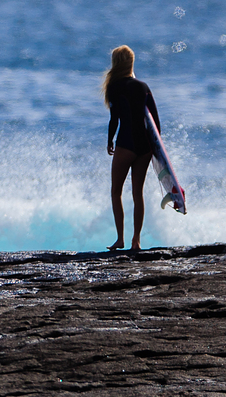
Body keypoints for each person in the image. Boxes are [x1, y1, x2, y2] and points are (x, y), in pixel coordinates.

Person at [104, 45, 160, 251]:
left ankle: (120, 239)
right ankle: (136, 241)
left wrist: (110, 141)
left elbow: (114, 119)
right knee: (138, 193)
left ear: (115, 63)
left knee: (116, 192)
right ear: (130, 63)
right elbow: (154, 122)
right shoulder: (144, 87)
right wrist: (155, 149)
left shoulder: (114, 87)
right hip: (144, 147)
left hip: (126, 144)